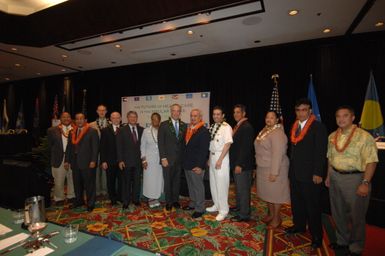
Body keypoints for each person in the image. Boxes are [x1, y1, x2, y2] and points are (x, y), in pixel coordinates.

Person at [325, 106, 378, 256]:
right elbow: (330, 157)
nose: (341, 119)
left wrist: (365, 182)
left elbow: (372, 161)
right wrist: (329, 175)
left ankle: (356, 247)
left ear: (353, 117)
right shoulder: (332, 136)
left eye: (345, 116)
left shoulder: (364, 137)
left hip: (355, 179)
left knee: (357, 216)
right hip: (335, 177)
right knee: (338, 212)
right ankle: (342, 241)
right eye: (338, 116)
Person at [286, 98, 327, 249]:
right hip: (296, 174)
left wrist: (318, 172)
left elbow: (320, 152)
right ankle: (299, 225)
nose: (301, 112)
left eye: (304, 109)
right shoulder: (295, 125)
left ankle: (317, 236)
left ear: (310, 110)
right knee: (297, 203)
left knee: (312, 206)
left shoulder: (318, 127)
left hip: (311, 175)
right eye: (298, 110)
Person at [254, 111, 290, 229]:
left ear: (277, 120)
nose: (269, 119)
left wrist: (274, 172)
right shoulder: (265, 130)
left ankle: (277, 218)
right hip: (263, 167)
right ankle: (270, 214)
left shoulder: (278, 133)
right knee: (267, 193)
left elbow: (277, 154)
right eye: (267, 117)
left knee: (276, 195)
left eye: (272, 117)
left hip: (274, 168)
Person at [65, 113, 99, 212]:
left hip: (88, 163)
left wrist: (93, 160)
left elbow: (95, 148)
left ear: (85, 120)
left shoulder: (92, 131)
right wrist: (67, 160)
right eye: (77, 119)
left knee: (89, 185)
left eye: (81, 119)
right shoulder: (72, 132)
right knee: (77, 184)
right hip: (75, 163)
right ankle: (79, 201)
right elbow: (69, 148)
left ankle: (90, 203)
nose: (79, 121)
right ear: (75, 121)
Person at [158, 104, 187, 211]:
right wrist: (163, 158)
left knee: (177, 181)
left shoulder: (184, 125)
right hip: (167, 160)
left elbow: (184, 143)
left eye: (178, 111)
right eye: (174, 111)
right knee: (168, 181)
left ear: (180, 112)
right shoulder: (164, 125)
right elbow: (161, 143)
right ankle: (168, 202)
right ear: (171, 111)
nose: (176, 113)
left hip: (179, 160)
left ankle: (175, 201)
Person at [206, 106, 233, 221]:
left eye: (218, 114)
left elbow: (228, 144)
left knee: (221, 184)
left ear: (223, 115)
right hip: (212, 156)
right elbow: (211, 144)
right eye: (214, 114)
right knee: (213, 183)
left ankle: (223, 210)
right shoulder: (213, 126)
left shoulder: (226, 127)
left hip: (221, 157)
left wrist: (220, 159)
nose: (216, 116)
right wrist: (209, 158)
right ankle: (216, 204)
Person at [182, 109, 210, 218]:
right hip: (188, 164)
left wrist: (200, 166)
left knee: (198, 187)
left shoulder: (203, 131)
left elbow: (204, 151)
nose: (193, 118)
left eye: (195, 116)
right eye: (191, 116)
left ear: (200, 117)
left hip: (196, 165)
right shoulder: (189, 129)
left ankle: (200, 208)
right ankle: (193, 203)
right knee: (191, 186)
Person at [230, 104, 255, 222]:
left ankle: (244, 214)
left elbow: (246, 148)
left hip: (243, 165)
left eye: (238, 112)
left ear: (244, 113)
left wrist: (240, 164)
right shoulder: (238, 126)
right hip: (236, 163)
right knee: (239, 188)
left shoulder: (246, 127)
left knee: (243, 189)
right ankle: (239, 207)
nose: (235, 114)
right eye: (234, 112)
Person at [47, 112, 75, 206]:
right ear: (60, 119)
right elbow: (50, 146)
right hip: (59, 157)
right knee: (59, 179)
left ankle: (71, 196)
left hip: (72, 157)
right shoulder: (52, 130)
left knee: (72, 177)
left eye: (68, 116)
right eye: (64, 117)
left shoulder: (75, 129)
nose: (66, 118)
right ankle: (59, 198)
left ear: (71, 118)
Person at [117, 111, 144, 209]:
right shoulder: (121, 130)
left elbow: (144, 146)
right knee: (126, 182)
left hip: (138, 161)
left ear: (137, 118)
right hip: (126, 161)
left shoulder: (142, 130)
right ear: (127, 118)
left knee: (137, 182)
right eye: (131, 117)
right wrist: (120, 160)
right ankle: (126, 201)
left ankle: (136, 200)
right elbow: (119, 146)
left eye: (134, 117)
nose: (133, 118)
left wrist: (144, 160)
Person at [140, 113, 163, 208]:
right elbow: (142, 146)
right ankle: (150, 198)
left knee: (158, 179)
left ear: (160, 120)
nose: (155, 121)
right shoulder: (146, 131)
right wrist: (144, 160)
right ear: (151, 120)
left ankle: (156, 197)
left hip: (160, 160)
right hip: (149, 160)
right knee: (149, 179)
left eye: (157, 119)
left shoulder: (162, 130)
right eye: (153, 119)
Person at [100, 112, 122, 206]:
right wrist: (103, 161)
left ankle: (120, 197)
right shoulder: (105, 130)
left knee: (122, 181)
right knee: (110, 181)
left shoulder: (124, 129)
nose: (116, 119)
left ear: (120, 118)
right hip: (109, 161)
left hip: (122, 161)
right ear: (110, 119)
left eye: (117, 118)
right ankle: (113, 199)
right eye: (114, 118)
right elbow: (102, 147)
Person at [89, 104, 109, 197]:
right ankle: (97, 191)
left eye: (103, 110)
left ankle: (105, 191)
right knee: (96, 172)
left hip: (106, 151)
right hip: (95, 152)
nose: (101, 112)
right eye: (100, 110)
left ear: (106, 112)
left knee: (105, 171)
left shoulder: (111, 123)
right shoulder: (90, 125)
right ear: (97, 112)